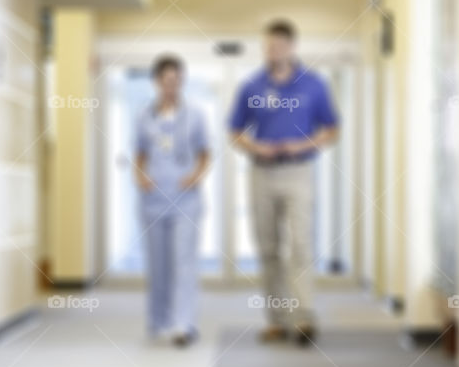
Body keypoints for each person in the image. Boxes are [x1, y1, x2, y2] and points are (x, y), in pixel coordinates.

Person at [228, 19, 339, 346]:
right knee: (268, 248)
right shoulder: (252, 86)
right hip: (261, 172)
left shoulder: (313, 85)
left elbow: (331, 130)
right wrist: (254, 147)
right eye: (267, 47)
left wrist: (302, 145)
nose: (272, 52)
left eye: (277, 46)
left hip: (298, 171)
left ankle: (303, 318)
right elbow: (235, 132)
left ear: (291, 47)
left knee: (301, 244)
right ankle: (276, 320)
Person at [135, 54, 210, 347]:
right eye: (167, 81)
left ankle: (183, 324)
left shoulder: (196, 114)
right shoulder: (144, 116)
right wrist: (140, 177)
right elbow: (140, 153)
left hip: (185, 199)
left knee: (184, 263)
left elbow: (205, 153)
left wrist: (196, 176)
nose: (172, 86)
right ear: (157, 82)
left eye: (177, 80)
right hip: (153, 199)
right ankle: (159, 321)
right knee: (158, 265)